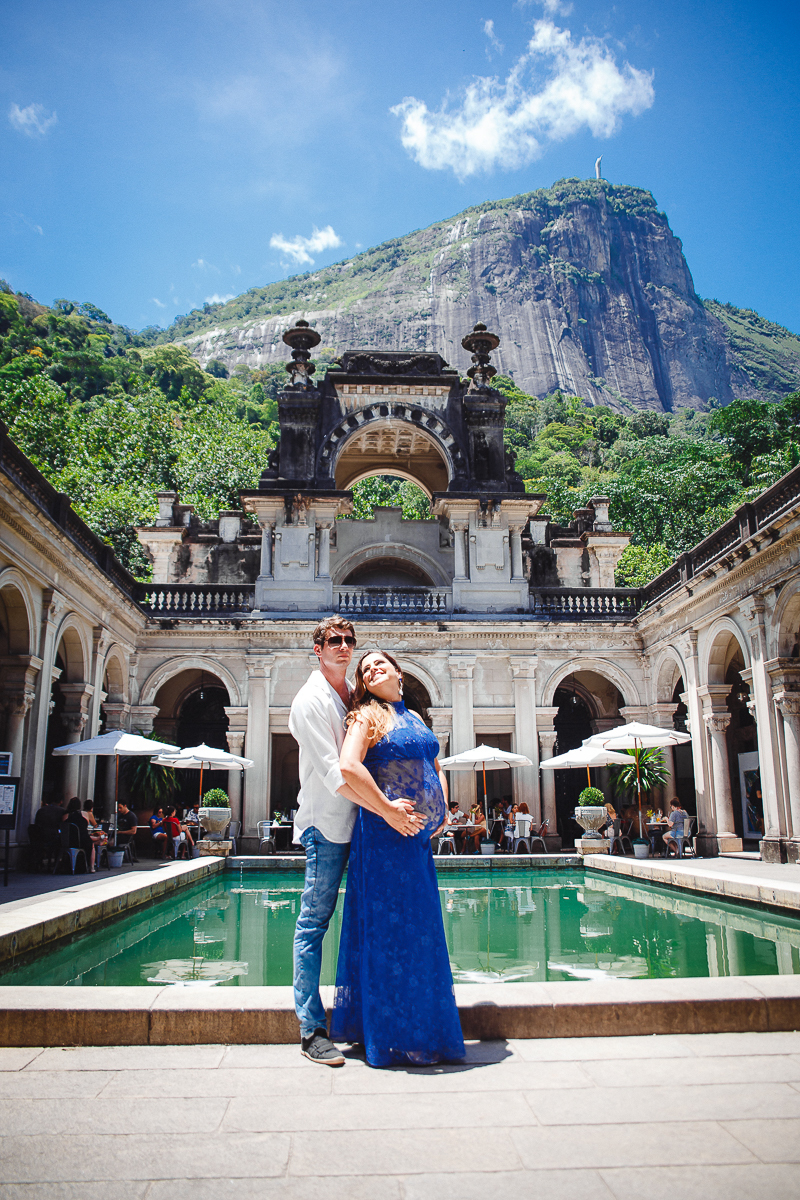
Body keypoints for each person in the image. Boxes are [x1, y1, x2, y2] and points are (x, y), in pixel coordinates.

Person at [289, 617, 423, 1069]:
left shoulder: (352, 694)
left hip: (367, 828)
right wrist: (388, 808)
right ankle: (311, 1031)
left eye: (349, 641)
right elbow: (337, 773)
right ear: (318, 648)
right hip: (328, 825)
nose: (343, 647)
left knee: (372, 924)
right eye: (333, 641)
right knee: (313, 924)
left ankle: (374, 1019)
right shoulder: (310, 701)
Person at [332, 649, 465, 1068]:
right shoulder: (366, 716)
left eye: (379, 663)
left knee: (421, 928)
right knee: (391, 930)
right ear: (364, 682)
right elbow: (349, 766)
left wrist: (441, 805)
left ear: (398, 671)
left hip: (417, 839)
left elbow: (433, 760)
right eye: (366, 668)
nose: (372, 669)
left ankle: (417, 1026)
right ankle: (393, 1034)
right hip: (384, 836)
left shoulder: (415, 717)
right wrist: (388, 810)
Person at [63, 796, 95, 870]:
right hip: (82, 840)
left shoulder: (65, 815)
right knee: (92, 845)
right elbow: (85, 825)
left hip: (69, 840)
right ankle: (92, 867)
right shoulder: (85, 814)